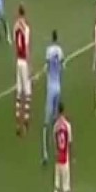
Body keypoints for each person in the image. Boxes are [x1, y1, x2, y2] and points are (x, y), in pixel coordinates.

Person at [42, 30, 63, 164]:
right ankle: (57, 147)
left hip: (50, 88)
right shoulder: (60, 51)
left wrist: (38, 75)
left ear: (51, 38)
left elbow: (47, 66)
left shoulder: (49, 51)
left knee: (46, 123)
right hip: (58, 87)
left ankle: (45, 153)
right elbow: (61, 65)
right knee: (56, 119)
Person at [53, 102, 73, 192]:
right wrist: (73, 156)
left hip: (57, 159)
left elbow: (55, 141)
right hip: (65, 159)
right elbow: (69, 143)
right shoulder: (67, 125)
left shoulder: (56, 125)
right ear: (64, 110)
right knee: (65, 186)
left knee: (57, 185)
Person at [13, 5, 32, 136]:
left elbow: (16, 44)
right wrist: (30, 66)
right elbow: (26, 47)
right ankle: (25, 122)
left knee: (19, 92)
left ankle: (17, 123)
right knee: (28, 91)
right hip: (24, 61)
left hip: (18, 60)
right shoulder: (26, 28)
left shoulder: (15, 26)